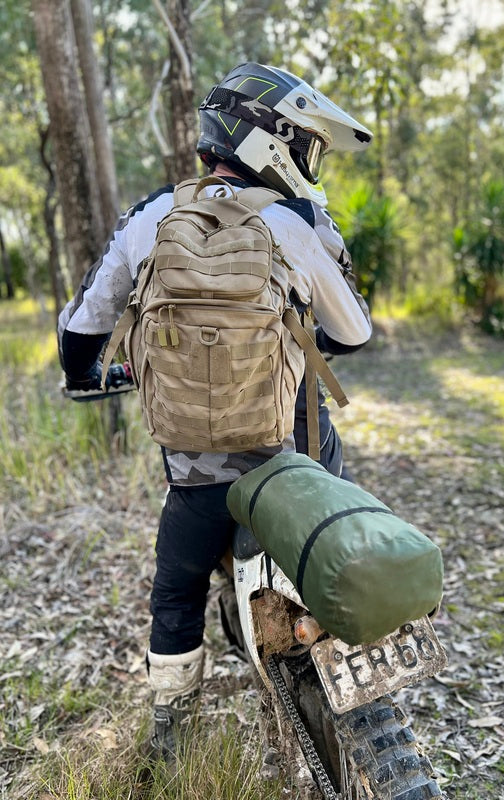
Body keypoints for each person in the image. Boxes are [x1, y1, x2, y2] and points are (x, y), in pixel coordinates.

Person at [57, 62, 373, 758]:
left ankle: (170, 735)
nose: (309, 163)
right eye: (306, 147)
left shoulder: (150, 217)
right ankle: (358, 611)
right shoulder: (298, 223)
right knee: (339, 500)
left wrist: (84, 373)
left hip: (198, 481)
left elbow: (82, 325)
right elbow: (353, 333)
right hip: (291, 459)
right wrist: (298, 337)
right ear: (273, 143)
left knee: (175, 592)